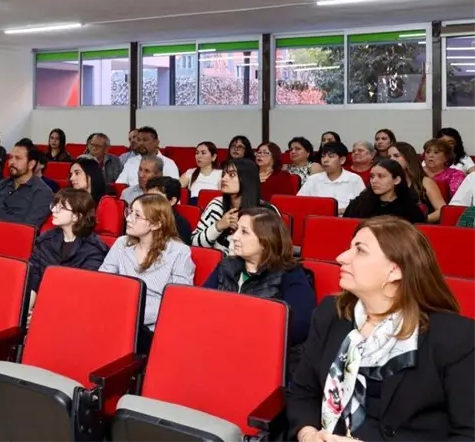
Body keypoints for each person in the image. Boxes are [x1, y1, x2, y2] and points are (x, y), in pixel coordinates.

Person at [287, 216, 475, 442]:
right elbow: (303, 391)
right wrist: (308, 434)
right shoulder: (331, 314)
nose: (341, 257)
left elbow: (468, 433)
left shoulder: (454, 337)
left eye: (360, 250)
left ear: (395, 270)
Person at [203, 208, 316, 380]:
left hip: (266, 361)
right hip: (220, 349)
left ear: (265, 241)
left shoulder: (290, 274)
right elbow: (202, 306)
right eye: (236, 230)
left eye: (244, 232)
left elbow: (297, 328)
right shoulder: (226, 266)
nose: (234, 237)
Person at [99, 194, 195, 350]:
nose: (128, 219)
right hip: (116, 318)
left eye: (137, 215)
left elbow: (178, 301)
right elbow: (102, 282)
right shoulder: (122, 243)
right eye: (129, 212)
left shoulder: (179, 252)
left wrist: (132, 315)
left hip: (152, 328)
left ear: (156, 224)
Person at [26, 188, 108, 321]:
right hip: (41, 307)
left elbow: (82, 294)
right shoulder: (46, 240)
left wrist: (42, 316)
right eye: (54, 205)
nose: (53, 210)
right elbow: (33, 280)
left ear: (76, 216)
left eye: (61, 208)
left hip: (72, 315)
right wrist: (26, 313)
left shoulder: (94, 250)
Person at [192, 158, 279, 253]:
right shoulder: (217, 205)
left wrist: (243, 228)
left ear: (247, 179)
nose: (223, 179)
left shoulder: (266, 212)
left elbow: (273, 250)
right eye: (223, 174)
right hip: (218, 261)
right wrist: (218, 226)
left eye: (231, 175)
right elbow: (194, 243)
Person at [0, 143, 54, 228]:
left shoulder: (42, 192)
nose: (11, 162)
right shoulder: (2, 184)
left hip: (15, 234)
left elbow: (29, 228)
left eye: (18, 158)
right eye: (11, 157)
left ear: (31, 164)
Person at [343, 159, 426, 223]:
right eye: (372, 176)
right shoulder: (358, 204)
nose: (374, 181)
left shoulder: (409, 210)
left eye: (381, 176)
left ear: (396, 180)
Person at [297, 142, 365, 214]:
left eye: (331, 156)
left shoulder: (354, 179)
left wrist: (338, 211)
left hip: (345, 219)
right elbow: (299, 203)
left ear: (342, 160)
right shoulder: (313, 179)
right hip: (318, 218)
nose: (325, 160)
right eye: (323, 156)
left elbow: (363, 206)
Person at [388, 142, 445, 223]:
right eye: (389, 157)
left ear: (408, 158)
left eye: (396, 156)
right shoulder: (389, 183)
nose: (391, 160)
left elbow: (442, 210)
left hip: (422, 227)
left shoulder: (425, 182)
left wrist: (420, 220)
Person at [146, 176, 193, 245]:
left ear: (172, 201)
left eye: (156, 198)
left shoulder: (181, 225)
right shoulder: (141, 217)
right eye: (147, 197)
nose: (149, 202)